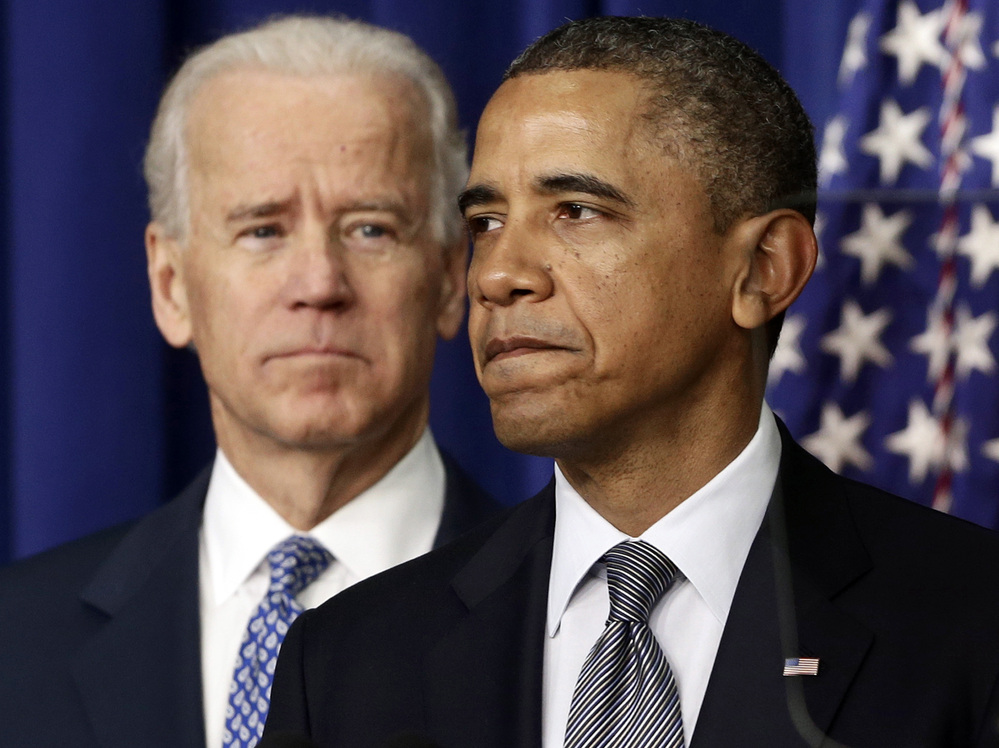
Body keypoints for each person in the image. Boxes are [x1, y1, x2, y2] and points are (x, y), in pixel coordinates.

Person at [265, 16, 999, 748]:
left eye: (575, 211)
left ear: (762, 270)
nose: (495, 275)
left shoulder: (972, 626)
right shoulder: (343, 663)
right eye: (485, 221)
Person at [0, 15, 499, 748]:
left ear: (452, 277)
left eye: (370, 229)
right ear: (171, 285)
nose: (319, 284)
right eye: (262, 230)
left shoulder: (579, 622)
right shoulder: (14, 643)